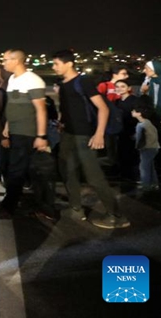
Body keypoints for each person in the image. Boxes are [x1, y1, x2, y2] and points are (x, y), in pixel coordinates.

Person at [51, 49, 129, 229]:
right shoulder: (63, 84)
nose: (54, 67)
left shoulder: (83, 81)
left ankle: (116, 215)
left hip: (84, 135)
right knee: (68, 172)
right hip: (68, 135)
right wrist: (62, 123)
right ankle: (76, 208)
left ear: (69, 63)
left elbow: (103, 108)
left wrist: (99, 134)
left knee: (94, 177)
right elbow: (67, 108)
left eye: (56, 64)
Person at [0, 49, 52, 220]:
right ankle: (37, 204)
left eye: (6, 60)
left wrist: (41, 136)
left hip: (26, 133)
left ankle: (9, 207)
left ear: (16, 61)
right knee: (19, 170)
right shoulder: (13, 79)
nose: (3, 63)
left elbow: (41, 109)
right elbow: (13, 105)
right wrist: (7, 125)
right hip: (15, 130)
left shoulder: (33, 80)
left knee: (17, 170)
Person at [132, 97, 160, 197]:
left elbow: (139, 139)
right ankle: (154, 183)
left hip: (147, 148)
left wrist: (137, 146)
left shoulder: (141, 125)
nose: (132, 112)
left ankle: (146, 185)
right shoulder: (148, 123)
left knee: (143, 167)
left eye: (134, 111)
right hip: (154, 147)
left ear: (139, 113)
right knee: (150, 166)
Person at [114, 79, 140, 181]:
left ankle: (134, 176)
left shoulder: (134, 100)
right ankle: (124, 175)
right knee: (122, 152)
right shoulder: (117, 101)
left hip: (132, 131)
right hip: (121, 131)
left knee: (132, 154)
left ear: (129, 88)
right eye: (117, 86)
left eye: (122, 86)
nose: (119, 89)